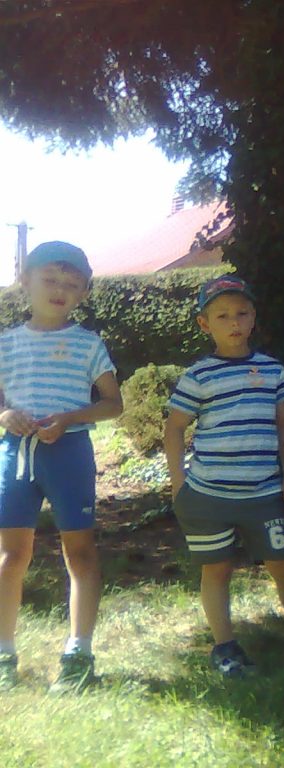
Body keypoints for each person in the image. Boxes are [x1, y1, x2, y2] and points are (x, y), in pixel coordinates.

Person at [164, 275, 284, 677]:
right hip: (208, 496)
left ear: (254, 317)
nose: (234, 322)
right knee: (217, 568)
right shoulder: (198, 375)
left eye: (242, 313)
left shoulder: (272, 370)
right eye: (222, 316)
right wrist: (179, 484)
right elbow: (174, 428)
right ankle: (225, 646)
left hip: (264, 493)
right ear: (205, 324)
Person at [0, 241, 123, 693]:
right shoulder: (5, 343)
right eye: (50, 279)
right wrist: (4, 415)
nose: (59, 290)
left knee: (81, 553)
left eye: (71, 284)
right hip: (16, 456)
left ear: (84, 292)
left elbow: (113, 404)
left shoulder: (89, 344)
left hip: (69, 455)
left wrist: (69, 418)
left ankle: (79, 654)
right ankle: (3, 654)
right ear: (25, 281)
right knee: (11, 556)